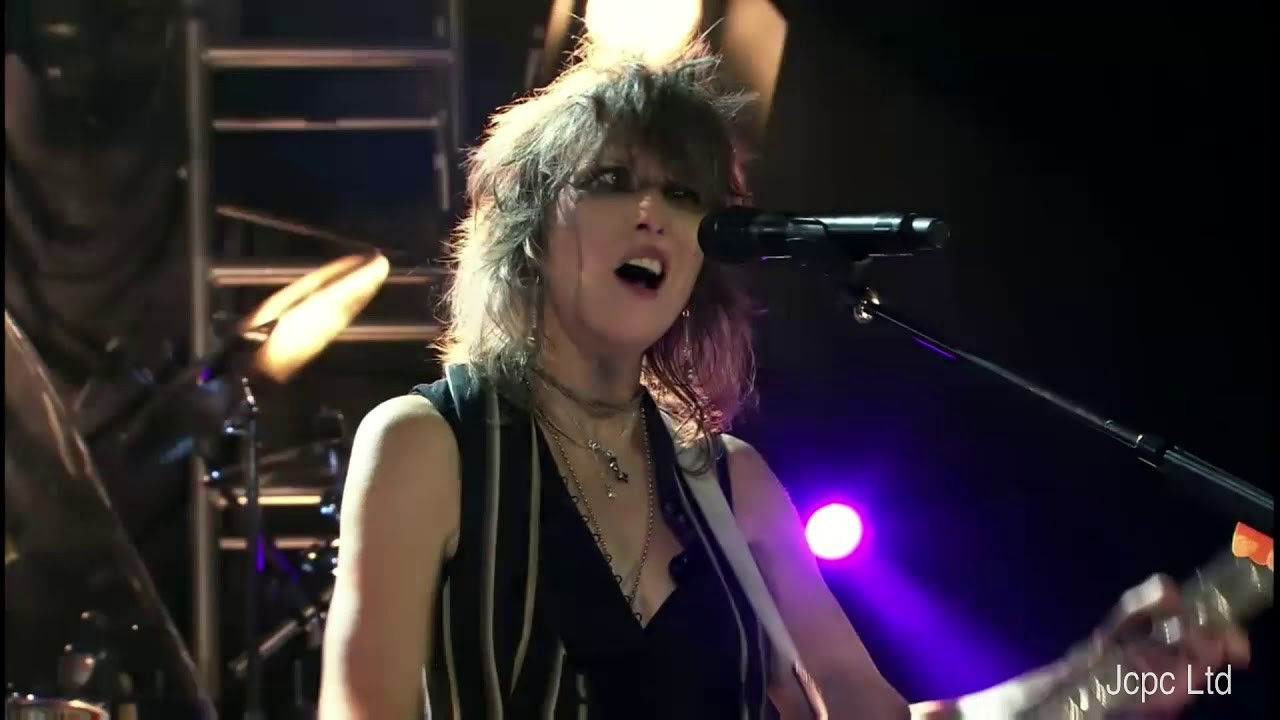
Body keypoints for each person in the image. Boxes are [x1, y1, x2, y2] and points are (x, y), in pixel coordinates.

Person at [318, 39, 1251, 719]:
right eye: (611, 181)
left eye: (683, 194)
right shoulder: (428, 445)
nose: (652, 215)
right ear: (527, 229)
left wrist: (1098, 679)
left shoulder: (730, 484)